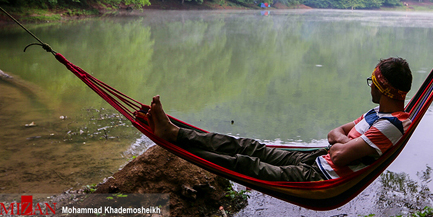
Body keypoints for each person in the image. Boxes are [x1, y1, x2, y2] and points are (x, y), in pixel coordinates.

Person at [146, 57, 413, 182]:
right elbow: (334, 134)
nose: (369, 87)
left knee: (246, 164)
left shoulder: (391, 126)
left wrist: (342, 145)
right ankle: (175, 134)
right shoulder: (378, 114)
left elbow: (342, 156)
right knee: (250, 147)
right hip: (317, 158)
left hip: (317, 176)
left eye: (372, 83)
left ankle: (177, 140)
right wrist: (343, 144)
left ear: (384, 88)